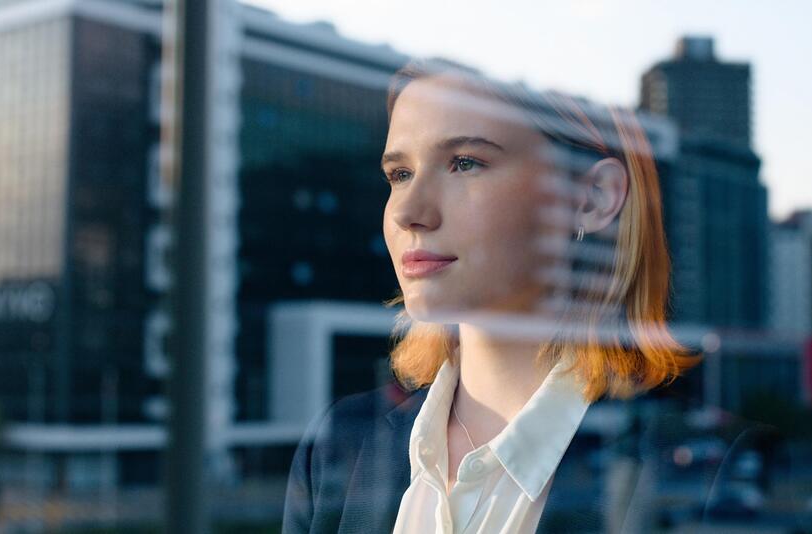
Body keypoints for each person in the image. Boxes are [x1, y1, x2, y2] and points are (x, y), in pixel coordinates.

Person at [282, 59, 766, 534]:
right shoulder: (337, 449)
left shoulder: (702, 474)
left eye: (464, 163)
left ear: (592, 198)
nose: (409, 211)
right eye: (399, 174)